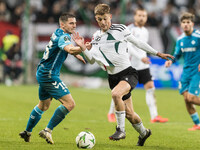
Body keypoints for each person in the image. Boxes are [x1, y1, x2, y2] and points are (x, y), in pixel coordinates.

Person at [73, 4, 174, 146]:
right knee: (130, 114)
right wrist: (83, 48)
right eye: (99, 19)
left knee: (115, 95)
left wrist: (158, 53)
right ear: (96, 19)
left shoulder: (120, 29)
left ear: (110, 17)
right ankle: (144, 133)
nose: (102, 22)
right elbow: (90, 60)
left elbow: (138, 43)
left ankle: (120, 130)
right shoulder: (96, 37)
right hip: (112, 78)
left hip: (128, 73)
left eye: (105, 19)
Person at [19, 12, 86, 144]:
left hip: (42, 72)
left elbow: (63, 49)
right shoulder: (64, 36)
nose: (74, 26)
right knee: (70, 104)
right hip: (49, 75)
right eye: (71, 23)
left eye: (75, 23)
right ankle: (47, 130)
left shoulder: (57, 32)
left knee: (43, 106)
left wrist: (74, 52)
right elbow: (69, 48)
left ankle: (27, 132)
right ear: (62, 24)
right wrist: (82, 48)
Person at [107, 8, 168, 123]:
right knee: (121, 91)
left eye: (144, 16)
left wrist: (143, 58)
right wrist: (141, 57)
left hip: (143, 65)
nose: (141, 18)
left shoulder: (145, 30)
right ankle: (111, 113)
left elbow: (142, 46)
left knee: (150, 87)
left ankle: (154, 116)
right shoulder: (128, 29)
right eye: (139, 15)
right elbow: (129, 47)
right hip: (130, 66)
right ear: (134, 16)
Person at [165, 12, 200, 131]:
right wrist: (170, 61)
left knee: (191, 98)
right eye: (184, 22)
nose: (186, 25)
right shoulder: (180, 40)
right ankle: (198, 124)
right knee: (186, 99)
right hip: (186, 72)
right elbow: (177, 55)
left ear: (192, 24)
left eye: (188, 22)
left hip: (197, 72)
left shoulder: (198, 36)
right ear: (181, 24)